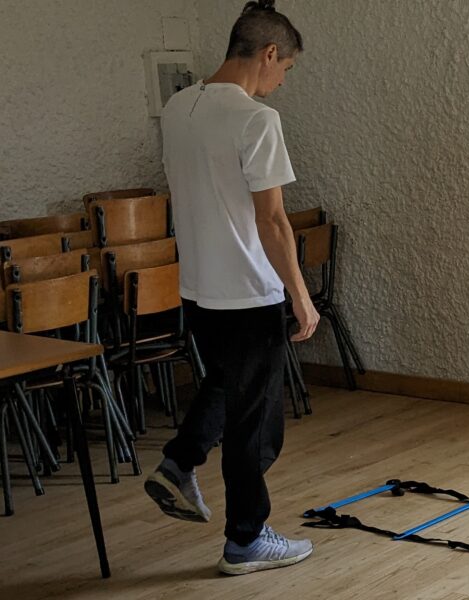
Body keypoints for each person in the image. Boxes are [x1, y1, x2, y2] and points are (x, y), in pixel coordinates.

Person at [144, 0, 319, 576]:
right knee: (256, 423)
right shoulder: (255, 120)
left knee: (225, 384)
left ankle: (179, 462)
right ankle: (246, 539)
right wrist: (299, 293)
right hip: (251, 291)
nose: (281, 82)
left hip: (199, 289)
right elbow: (272, 221)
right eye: (286, 68)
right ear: (269, 53)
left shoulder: (177, 107)